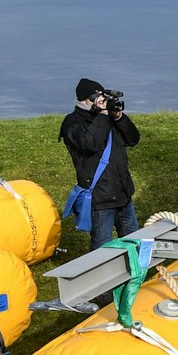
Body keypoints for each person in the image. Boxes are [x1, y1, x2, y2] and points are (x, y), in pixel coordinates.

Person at [59, 78, 142, 248]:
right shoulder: (72, 123)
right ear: (84, 100)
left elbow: (133, 139)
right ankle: (100, 274)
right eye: (97, 99)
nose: (103, 103)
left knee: (134, 244)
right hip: (100, 199)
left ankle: (136, 273)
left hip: (123, 194)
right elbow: (88, 144)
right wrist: (103, 116)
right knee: (101, 252)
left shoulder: (108, 117)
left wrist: (119, 118)